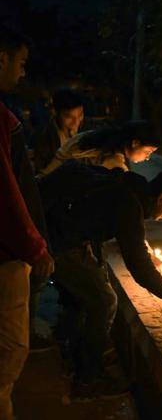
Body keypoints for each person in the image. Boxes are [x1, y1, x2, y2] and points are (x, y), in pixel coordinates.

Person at [40, 163, 162, 399]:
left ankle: (78, 352)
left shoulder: (130, 187)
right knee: (104, 301)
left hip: (61, 231)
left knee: (87, 290)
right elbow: (140, 268)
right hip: (57, 240)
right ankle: (88, 380)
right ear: (161, 198)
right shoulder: (129, 204)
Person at [0, 24, 55, 420]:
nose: (22, 73)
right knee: (10, 348)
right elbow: (7, 192)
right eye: (20, 63)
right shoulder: (2, 119)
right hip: (5, 254)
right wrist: (36, 246)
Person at [38, 119, 159, 176]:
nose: (147, 157)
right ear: (135, 143)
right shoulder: (114, 163)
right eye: (148, 151)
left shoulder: (94, 136)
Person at [33, 88, 84, 172]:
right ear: (54, 113)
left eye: (80, 115)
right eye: (69, 117)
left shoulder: (90, 128)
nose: (76, 122)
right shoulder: (43, 137)